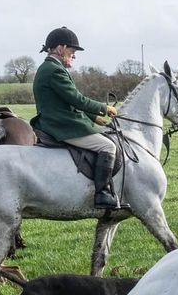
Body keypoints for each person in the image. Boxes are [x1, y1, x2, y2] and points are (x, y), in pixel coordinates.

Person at [30, 26, 121, 209]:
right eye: (72, 51)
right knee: (108, 146)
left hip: (57, 120)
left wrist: (94, 117)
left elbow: (67, 100)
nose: (74, 55)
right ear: (60, 49)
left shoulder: (50, 67)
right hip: (61, 126)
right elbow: (77, 99)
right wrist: (104, 108)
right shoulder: (54, 70)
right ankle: (102, 194)